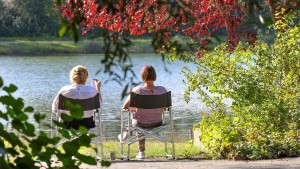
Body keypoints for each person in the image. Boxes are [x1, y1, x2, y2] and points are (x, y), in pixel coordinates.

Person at [122, 65, 167, 159]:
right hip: (158, 122)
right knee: (139, 116)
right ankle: (127, 133)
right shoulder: (162, 90)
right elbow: (166, 107)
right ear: (154, 76)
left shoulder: (137, 90)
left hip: (140, 123)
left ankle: (140, 151)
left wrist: (137, 109)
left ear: (143, 76)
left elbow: (125, 107)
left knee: (137, 118)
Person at [52, 65, 102, 130]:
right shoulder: (92, 90)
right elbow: (99, 106)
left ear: (72, 77)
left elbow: (54, 108)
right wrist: (98, 89)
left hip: (68, 124)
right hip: (87, 124)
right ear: (86, 77)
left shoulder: (64, 90)